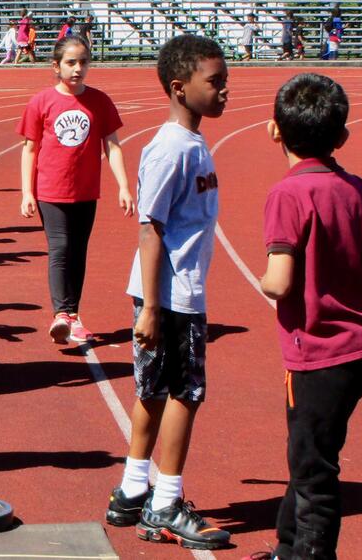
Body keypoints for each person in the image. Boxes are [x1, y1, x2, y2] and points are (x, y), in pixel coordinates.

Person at [254, 73, 362, 560]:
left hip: (316, 351)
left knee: (313, 467)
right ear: (342, 137)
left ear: (275, 131)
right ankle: (287, 546)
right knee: (309, 453)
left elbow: (278, 280)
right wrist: (338, 268)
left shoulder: (287, 194)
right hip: (360, 349)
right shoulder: (355, 188)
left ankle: (311, 554)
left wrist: (265, 282)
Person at [104, 34, 231, 551]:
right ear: (179, 88)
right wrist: (152, 308)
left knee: (153, 390)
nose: (225, 91)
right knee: (184, 394)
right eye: (214, 82)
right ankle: (165, 504)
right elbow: (149, 227)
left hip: (172, 293)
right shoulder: (170, 149)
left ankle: (134, 489)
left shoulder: (192, 143)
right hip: (173, 296)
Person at [18, 36, 134, 345]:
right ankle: (62, 313)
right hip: (50, 190)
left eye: (83, 62)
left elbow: (112, 145)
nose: (77, 68)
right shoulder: (41, 102)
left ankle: (73, 315)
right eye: (71, 63)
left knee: (78, 252)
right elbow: (30, 149)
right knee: (60, 248)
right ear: (56, 66)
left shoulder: (99, 101)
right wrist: (27, 192)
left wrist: (124, 185)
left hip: (85, 192)